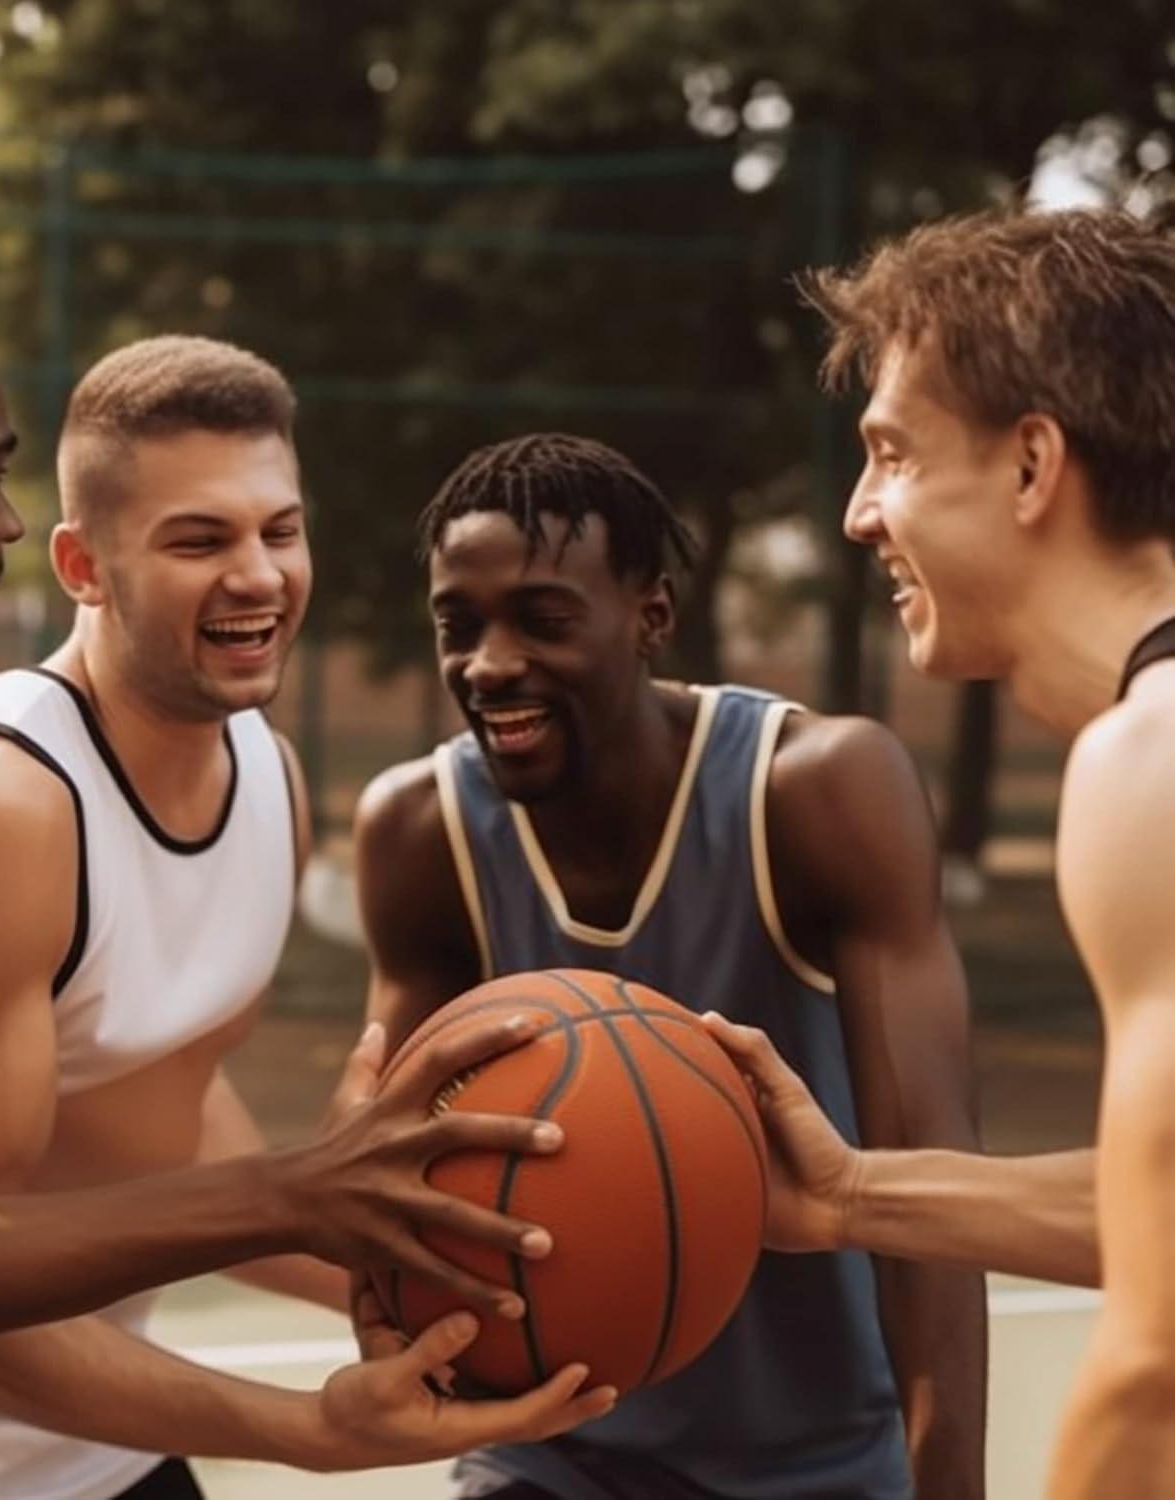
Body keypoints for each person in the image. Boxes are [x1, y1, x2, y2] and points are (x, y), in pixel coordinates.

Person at [0, 240, 609, 1500]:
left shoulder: (264, 777)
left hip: (100, 1457)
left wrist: (422, 1275)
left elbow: (135, 1123)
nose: (258, 572)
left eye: (281, 530)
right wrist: (304, 1396)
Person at [354, 432, 986, 1499]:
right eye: (458, 626)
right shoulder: (421, 830)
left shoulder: (818, 791)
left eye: (543, 619)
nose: (490, 661)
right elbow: (383, 1156)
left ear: (651, 615)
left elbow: (930, 1179)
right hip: (548, 1450)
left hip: (816, 1458)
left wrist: (949, 1483)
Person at [697, 206, 1175, 1499]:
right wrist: (852, 1195)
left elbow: (1158, 1362)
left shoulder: (1153, 764)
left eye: (892, 455)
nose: (859, 516)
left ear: (1031, 466)